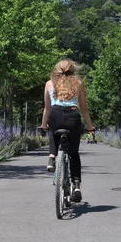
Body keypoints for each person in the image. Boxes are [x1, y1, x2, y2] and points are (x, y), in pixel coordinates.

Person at [41, 59, 94, 202]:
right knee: (73, 154)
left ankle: (52, 158)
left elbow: (47, 108)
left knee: (52, 131)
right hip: (73, 116)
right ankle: (76, 185)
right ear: (72, 70)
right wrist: (90, 128)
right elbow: (84, 108)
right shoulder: (78, 84)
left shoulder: (49, 84)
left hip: (55, 115)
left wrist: (43, 125)